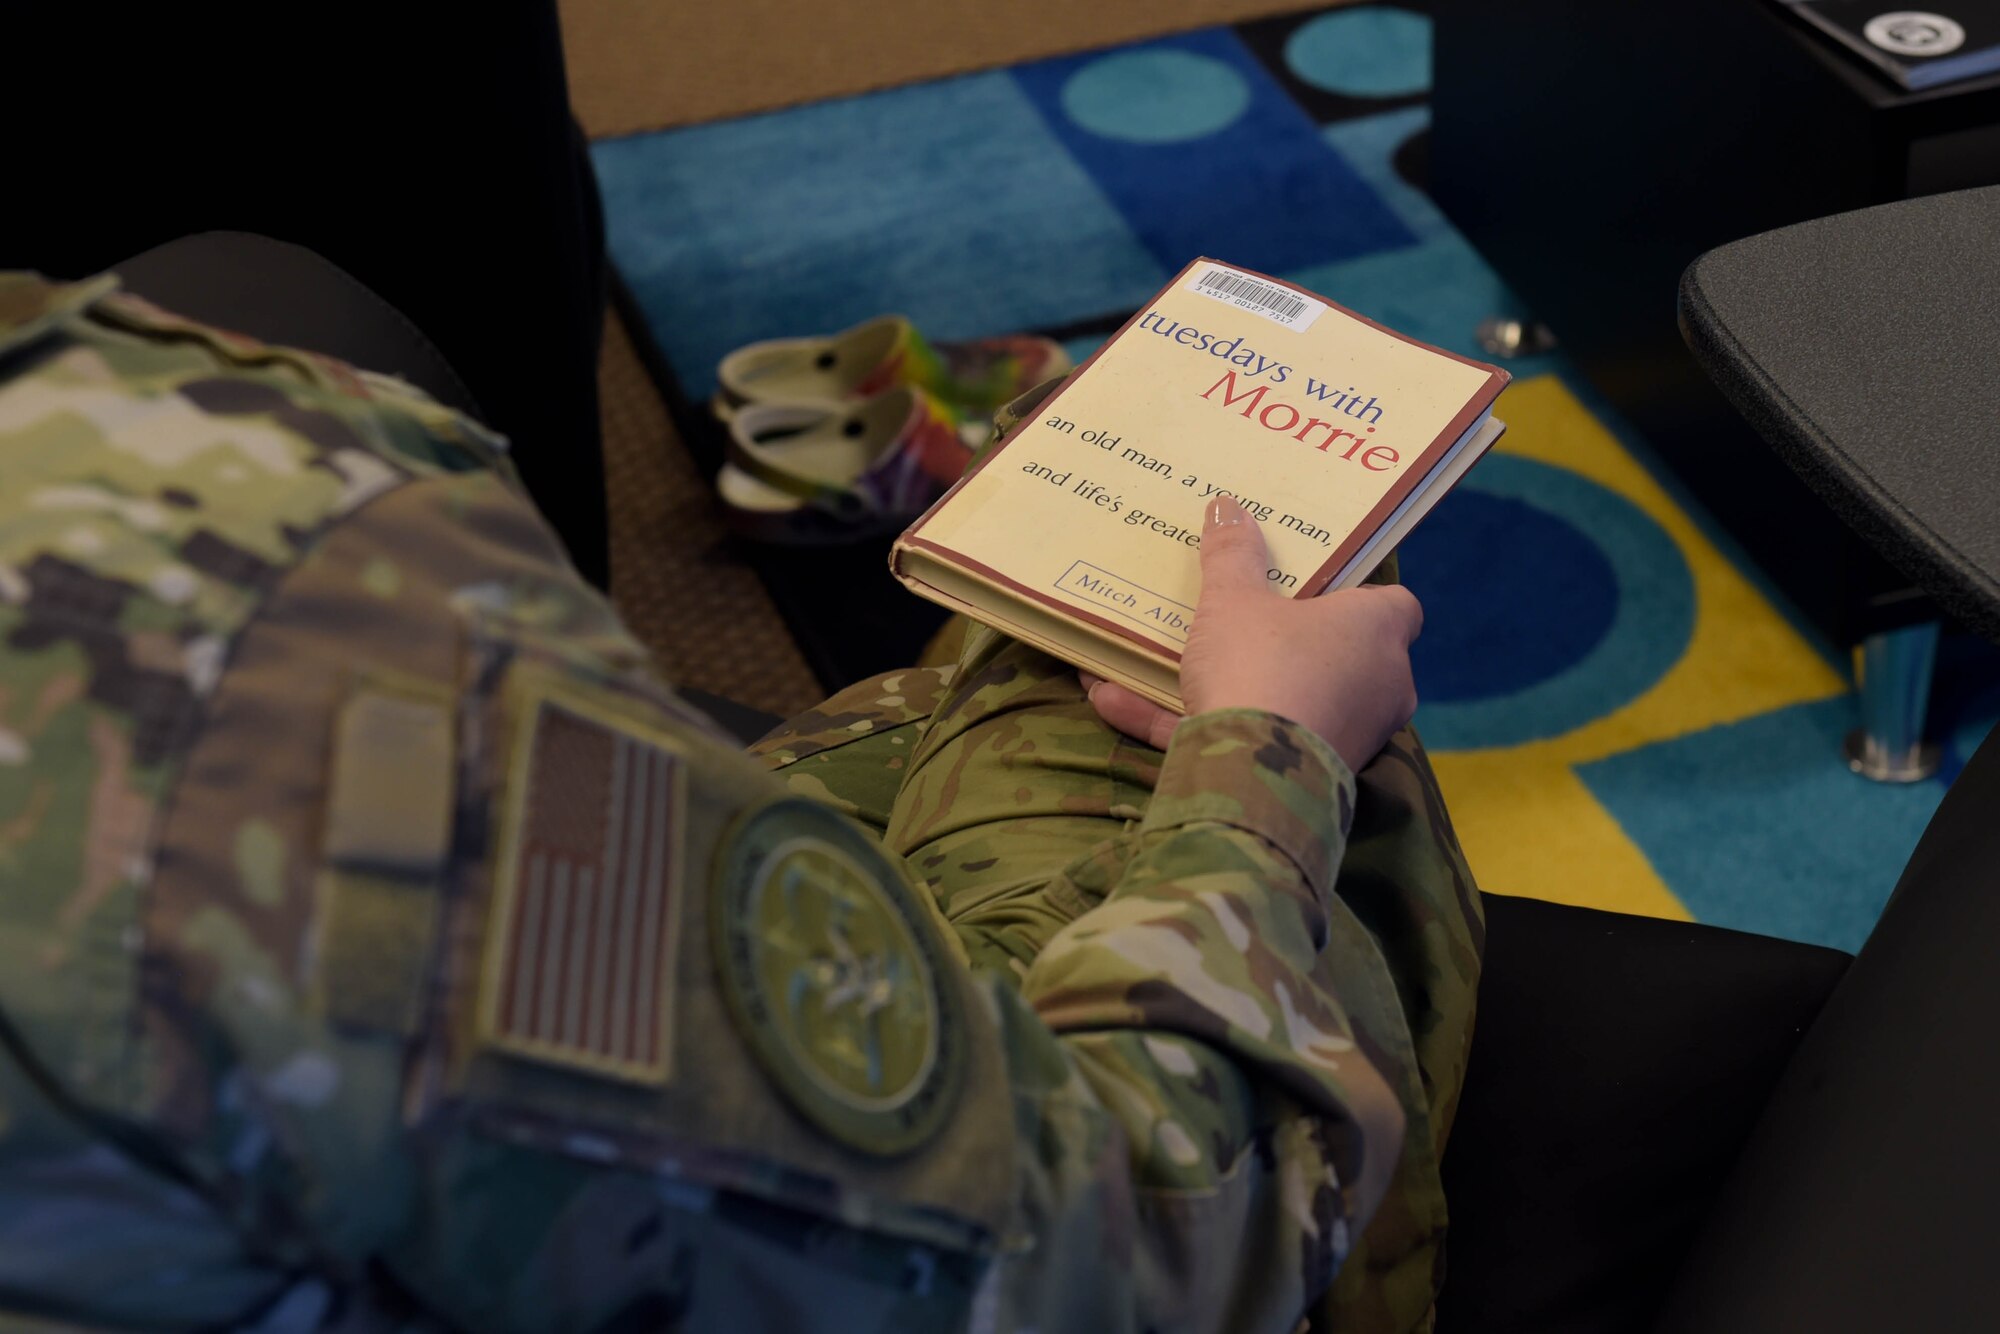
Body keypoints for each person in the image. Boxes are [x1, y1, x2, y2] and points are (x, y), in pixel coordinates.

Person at [0, 270, 1480, 1332]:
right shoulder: (254, 652)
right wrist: (1264, 750)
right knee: (1179, 639)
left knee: (252, 283)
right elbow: (1106, 1247)